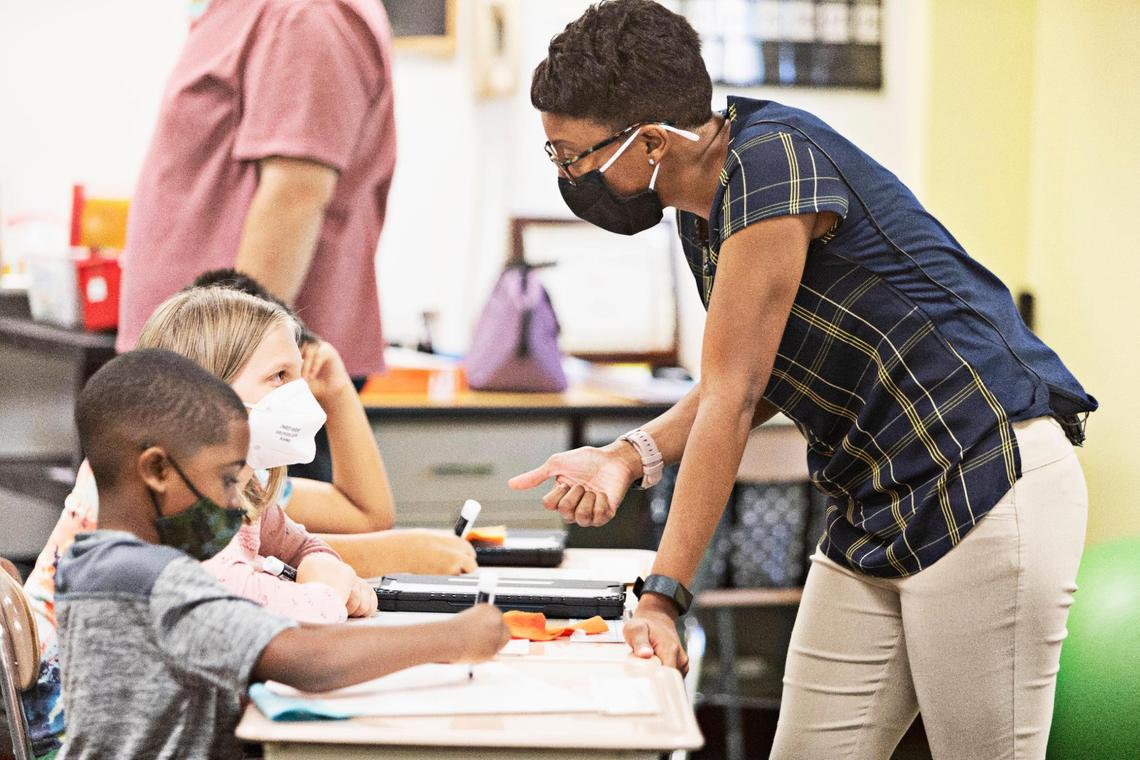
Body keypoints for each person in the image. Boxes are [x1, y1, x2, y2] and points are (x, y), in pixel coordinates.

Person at [509, 2, 1098, 758]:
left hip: (982, 478)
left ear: (651, 141)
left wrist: (663, 598)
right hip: (877, 502)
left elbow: (735, 395)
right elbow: (759, 376)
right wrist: (627, 457)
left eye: (572, 156)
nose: (567, 175)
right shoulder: (706, 208)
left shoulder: (771, 165)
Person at [23, 286, 475, 758]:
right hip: (77, 731)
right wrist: (329, 592)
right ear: (206, 387)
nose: (298, 395)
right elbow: (279, 633)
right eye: (280, 376)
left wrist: (322, 566)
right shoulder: (154, 513)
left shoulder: (230, 482)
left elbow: (296, 545)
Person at [116, 0, 398, 384]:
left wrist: (229, 376)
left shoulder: (305, 15)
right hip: (194, 365)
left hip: (231, 381)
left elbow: (294, 197)